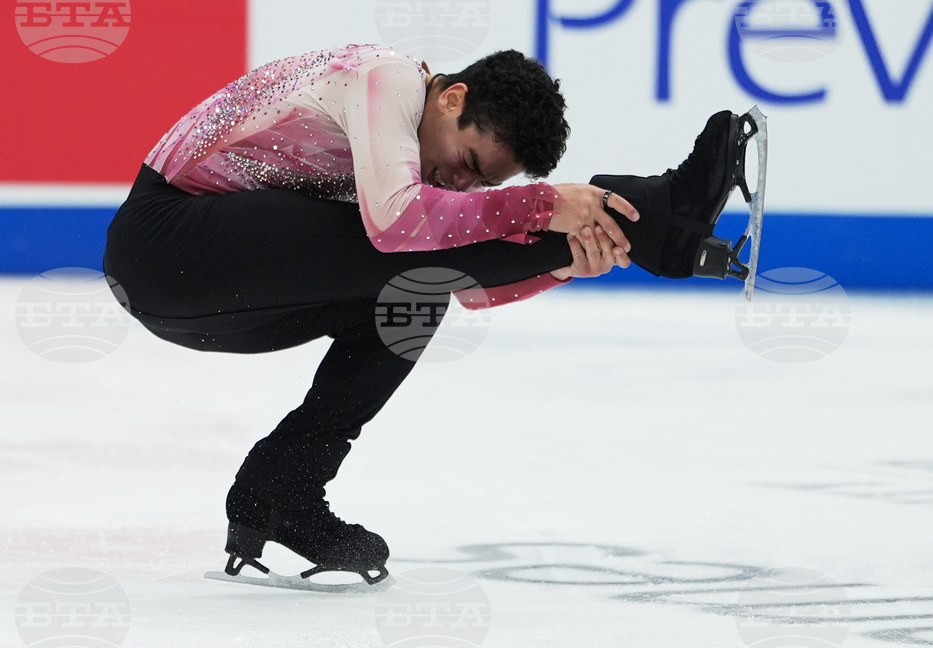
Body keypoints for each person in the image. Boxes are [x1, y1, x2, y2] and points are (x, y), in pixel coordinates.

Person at [103, 43, 749, 587]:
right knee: (414, 245)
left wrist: (563, 265)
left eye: (479, 183)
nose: (459, 184)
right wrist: (543, 205)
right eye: (467, 162)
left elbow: (467, 289)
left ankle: (281, 492)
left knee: (414, 293)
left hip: (215, 294)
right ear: (452, 98)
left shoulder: (420, 164)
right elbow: (395, 224)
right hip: (165, 244)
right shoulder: (383, 78)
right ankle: (663, 217)